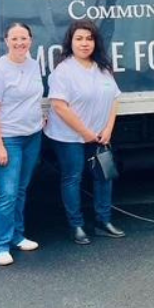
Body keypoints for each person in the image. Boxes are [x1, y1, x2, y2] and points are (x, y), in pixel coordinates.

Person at [46, 20, 126, 245]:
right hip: (69, 137)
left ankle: (103, 221)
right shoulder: (64, 71)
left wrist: (108, 128)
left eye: (89, 39)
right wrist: (86, 132)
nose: (84, 43)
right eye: (79, 39)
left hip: (100, 135)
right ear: (70, 42)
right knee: (73, 178)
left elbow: (114, 99)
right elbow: (60, 106)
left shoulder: (102, 68)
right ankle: (77, 226)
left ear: (95, 42)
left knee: (104, 176)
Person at [0, 21, 45, 266]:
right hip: (6, 138)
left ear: (31, 40)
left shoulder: (33, 65)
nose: (19, 43)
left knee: (20, 189)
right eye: (14, 39)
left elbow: (32, 99)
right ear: (5, 41)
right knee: (6, 193)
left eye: (24, 38)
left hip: (32, 136)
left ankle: (17, 235)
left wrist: (40, 119)